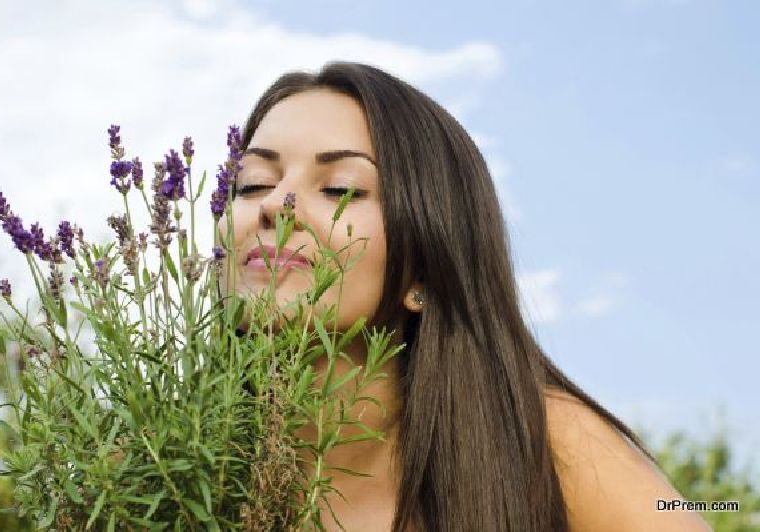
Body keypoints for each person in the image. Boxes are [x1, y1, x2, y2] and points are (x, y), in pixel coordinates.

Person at [218, 61, 711, 531]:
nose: (275, 206)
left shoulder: (550, 444)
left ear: (426, 271)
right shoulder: (166, 459)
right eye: (252, 183)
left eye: (340, 189)